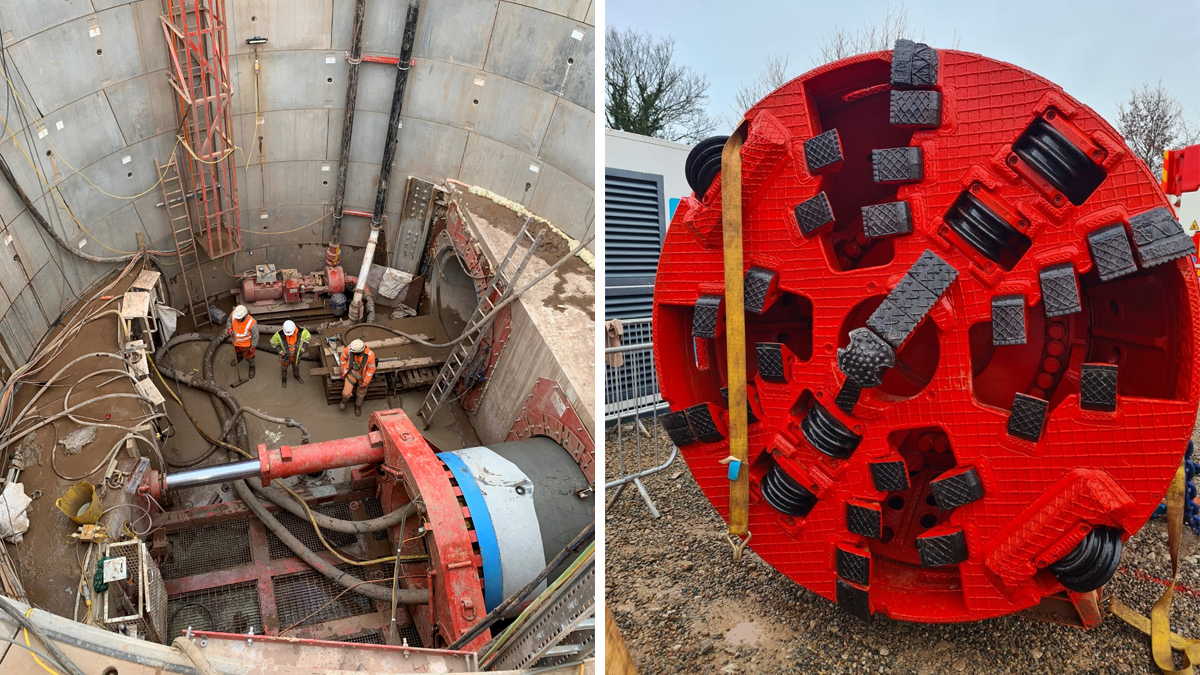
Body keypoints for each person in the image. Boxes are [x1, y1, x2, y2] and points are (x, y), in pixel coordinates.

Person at [339, 339, 376, 417]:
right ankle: (344, 401)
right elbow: (342, 359)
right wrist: (343, 371)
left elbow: (370, 370)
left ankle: (357, 405)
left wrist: (365, 382)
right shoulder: (350, 348)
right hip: (352, 373)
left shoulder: (370, 355)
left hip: (362, 376)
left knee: (361, 394)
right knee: (346, 393)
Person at [270, 320, 311, 388]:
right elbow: (273, 343)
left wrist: (303, 348)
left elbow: (308, 338)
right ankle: (284, 380)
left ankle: (296, 376)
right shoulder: (279, 334)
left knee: (296, 367)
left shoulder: (302, 332)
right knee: (283, 368)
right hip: (285, 357)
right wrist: (280, 351)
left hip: (296, 356)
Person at [227, 305, 259, 379]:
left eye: (239, 318)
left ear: (244, 315)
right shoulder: (233, 314)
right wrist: (229, 328)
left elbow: (256, 336)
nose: (237, 319)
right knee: (237, 352)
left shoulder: (251, 323)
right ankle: (239, 357)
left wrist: (253, 347)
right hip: (235, 342)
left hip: (245, 345)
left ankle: (252, 366)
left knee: (249, 357)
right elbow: (229, 320)